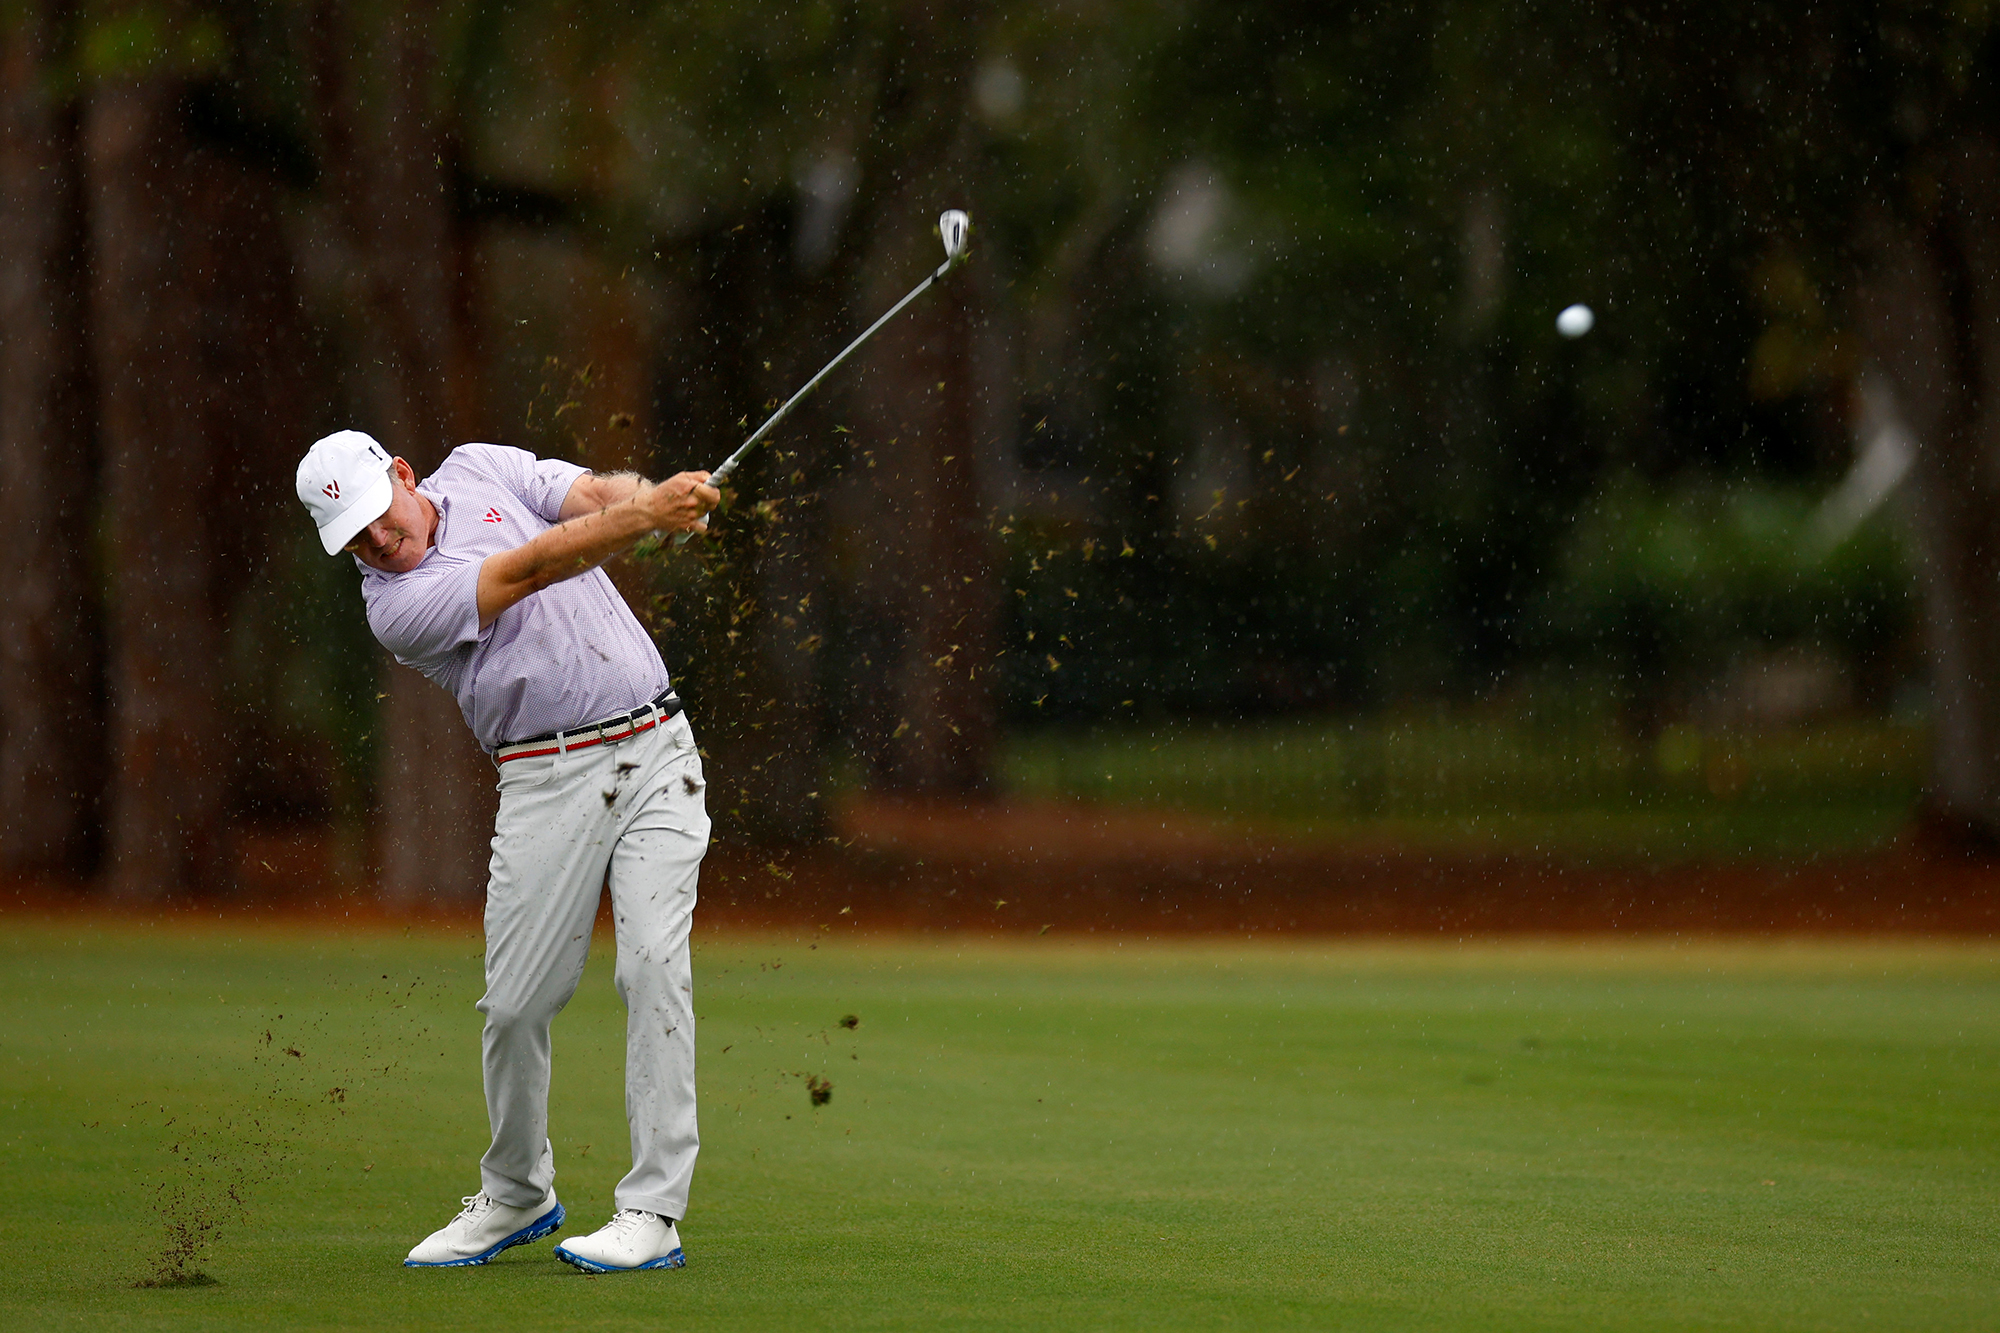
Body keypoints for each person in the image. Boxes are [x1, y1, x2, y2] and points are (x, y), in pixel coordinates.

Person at [294, 429, 722, 1273]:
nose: (380, 544)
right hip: (544, 778)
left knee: (651, 966)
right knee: (518, 1005)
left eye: (380, 518)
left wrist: (654, 501)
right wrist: (646, 515)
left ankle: (652, 1209)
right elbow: (532, 567)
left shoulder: (483, 465)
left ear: (402, 476)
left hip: (656, 748)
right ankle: (519, 1189)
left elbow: (590, 498)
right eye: (357, 543)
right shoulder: (395, 608)